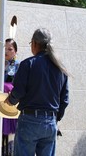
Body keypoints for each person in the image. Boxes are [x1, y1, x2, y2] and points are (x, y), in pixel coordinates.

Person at [5, 28, 69, 156]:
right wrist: (55, 118)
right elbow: (65, 100)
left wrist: (9, 100)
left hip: (29, 120)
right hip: (50, 122)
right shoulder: (60, 68)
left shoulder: (28, 64)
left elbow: (18, 92)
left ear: (34, 43)